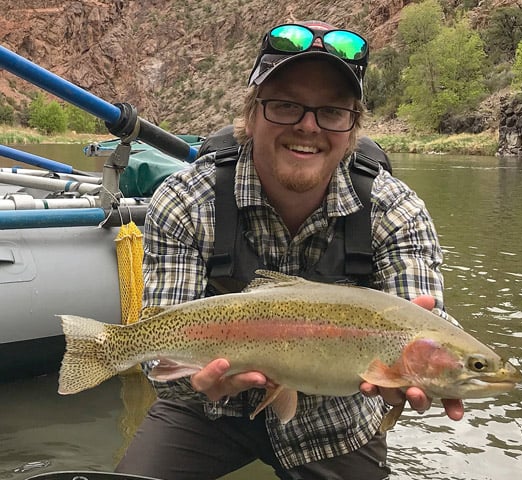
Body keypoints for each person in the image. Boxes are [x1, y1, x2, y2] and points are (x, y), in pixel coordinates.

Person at [116, 19, 463, 480]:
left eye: (332, 112)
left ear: (352, 126)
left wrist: (438, 358)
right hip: (205, 414)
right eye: (285, 105)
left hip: (336, 423)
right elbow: (158, 349)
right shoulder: (185, 201)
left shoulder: (396, 211)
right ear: (252, 112)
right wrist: (194, 381)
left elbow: (425, 315)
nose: (307, 127)